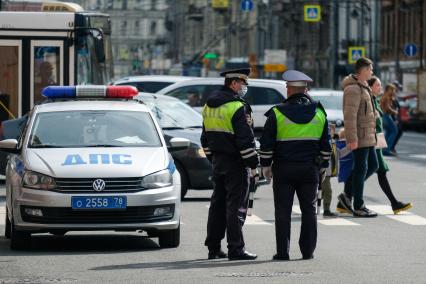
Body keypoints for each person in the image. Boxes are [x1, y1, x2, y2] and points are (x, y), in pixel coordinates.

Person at [260, 70, 331, 260]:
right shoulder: (319, 113)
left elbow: (266, 144)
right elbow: (326, 146)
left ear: (289, 89)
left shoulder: (276, 113)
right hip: (309, 170)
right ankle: (307, 252)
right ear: (305, 90)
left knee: (282, 211)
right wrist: (323, 166)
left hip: (283, 170)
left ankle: (283, 252)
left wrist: (265, 166)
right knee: (309, 211)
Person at [201, 68, 259, 261]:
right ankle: (236, 249)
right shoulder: (237, 107)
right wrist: (253, 165)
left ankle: (214, 247)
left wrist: (214, 159)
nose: (244, 88)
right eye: (243, 84)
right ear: (234, 83)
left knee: (217, 206)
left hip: (218, 162)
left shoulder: (209, 105)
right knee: (236, 207)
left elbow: (205, 140)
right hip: (236, 163)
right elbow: (245, 140)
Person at [337, 77, 412, 215]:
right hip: (369, 139)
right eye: (378, 85)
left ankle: (347, 196)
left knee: (372, 169)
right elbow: (353, 118)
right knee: (375, 169)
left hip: (375, 139)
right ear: (370, 87)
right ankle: (349, 196)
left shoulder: (374, 100)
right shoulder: (366, 99)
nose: (380, 87)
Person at [337, 57, 379, 217]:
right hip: (360, 137)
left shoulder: (364, 87)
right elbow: (349, 116)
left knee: (373, 166)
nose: (372, 72)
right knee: (361, 170)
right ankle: (359, 205)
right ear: (362, 70)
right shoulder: (353, 89)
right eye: (370, 69)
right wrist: (352, 139)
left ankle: (347, 195)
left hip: (368, 135)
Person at [380, 84, 398, 156]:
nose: (393, 91)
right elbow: (387, 108)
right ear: (388, 90)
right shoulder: (386, 97)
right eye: (392, 89)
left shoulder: (386, 96)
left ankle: (384, 149)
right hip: (386, 115)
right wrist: (394, 112)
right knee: (394, 131)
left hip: (384, 116)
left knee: (388, 131)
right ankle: (387, 150)